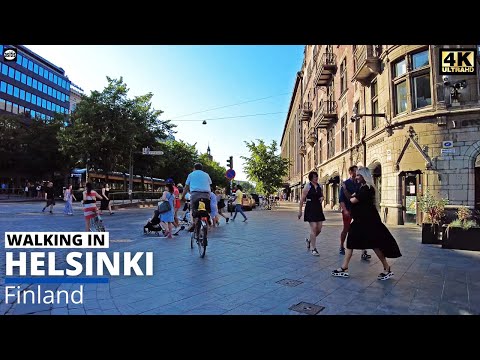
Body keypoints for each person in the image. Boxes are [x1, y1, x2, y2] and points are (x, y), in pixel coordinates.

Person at [331, 167, 402, 280]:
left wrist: (344, 189)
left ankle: (387, 268)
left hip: (368, 221)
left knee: (374, 245)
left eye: (359, 175)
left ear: (364, 176)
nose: (357, 177)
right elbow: (354, 197)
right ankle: (345, 268)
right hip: (361, 221)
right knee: (353, 241)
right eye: (356, 175)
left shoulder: (367, 189)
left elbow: (352, 200)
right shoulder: (362, 188)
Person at [339, 166, 371, 260]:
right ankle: (341, 246)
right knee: (346, 229)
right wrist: (344, 210)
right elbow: (341, 199)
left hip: (358, 210)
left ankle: (363, 251)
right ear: (350, 172)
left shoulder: (360, 183)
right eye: (355, 171)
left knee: (362, 229)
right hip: (348, 210)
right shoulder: (345, 183)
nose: (357, 173)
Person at [298, 171, 325, 256]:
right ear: (311, 178)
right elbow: (302, 199)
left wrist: (322, 198)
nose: (316, 178)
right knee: (314, 227)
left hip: (318, 208)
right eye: (314, 177)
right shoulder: (307, 187)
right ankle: (314, 249)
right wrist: (300, 211)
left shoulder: (320, 186)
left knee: (319, 229)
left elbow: (322, 195)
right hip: (310, 208)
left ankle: (309, 241)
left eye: (317, 176)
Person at [184, 163, 213, 232]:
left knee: (193, 209)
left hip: (195, 194)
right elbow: (210, 184)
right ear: (201, 168)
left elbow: (186, 186)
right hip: (206, 194)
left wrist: (183, 196)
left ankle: (193, 223)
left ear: (194, 168)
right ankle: (208, 218)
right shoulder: (206, 174)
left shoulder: (191, 174)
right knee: (206, 208)